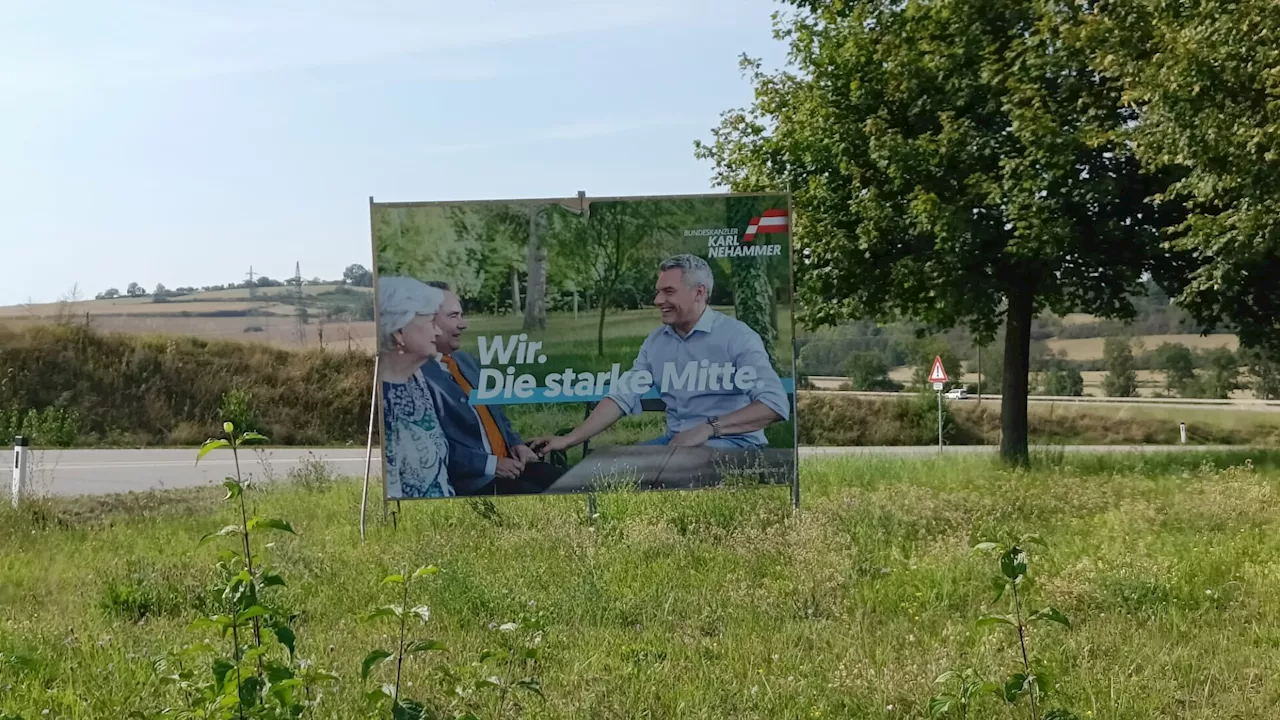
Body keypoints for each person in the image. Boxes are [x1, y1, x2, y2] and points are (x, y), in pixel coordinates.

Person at [530, 254, 789, 456]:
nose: (657, 300)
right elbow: (622, 396)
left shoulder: (737, 337)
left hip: (736, 444)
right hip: (675, 443)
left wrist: (708, 429)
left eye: (668, 292)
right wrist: (569, 440)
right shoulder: (656, 342)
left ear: (699, 293)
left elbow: (774, 405)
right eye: (658, 291)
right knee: (612, 469)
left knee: (672, 467)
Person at [419, 282, 566, 495]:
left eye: (461, 315)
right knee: (537, 499)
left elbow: (496, 414)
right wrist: (490, 465)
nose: (463, 324)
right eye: (454, 316)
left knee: (568, 482)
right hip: (474, 480)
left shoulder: (465, 361)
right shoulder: (416, 377)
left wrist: (517, 444)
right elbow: (431, 447)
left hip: (511, 463)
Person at [378, 277, 452, 499]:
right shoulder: (381, 402)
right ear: (398, 333)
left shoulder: (415, 379)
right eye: (430, 322)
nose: (438, 332)